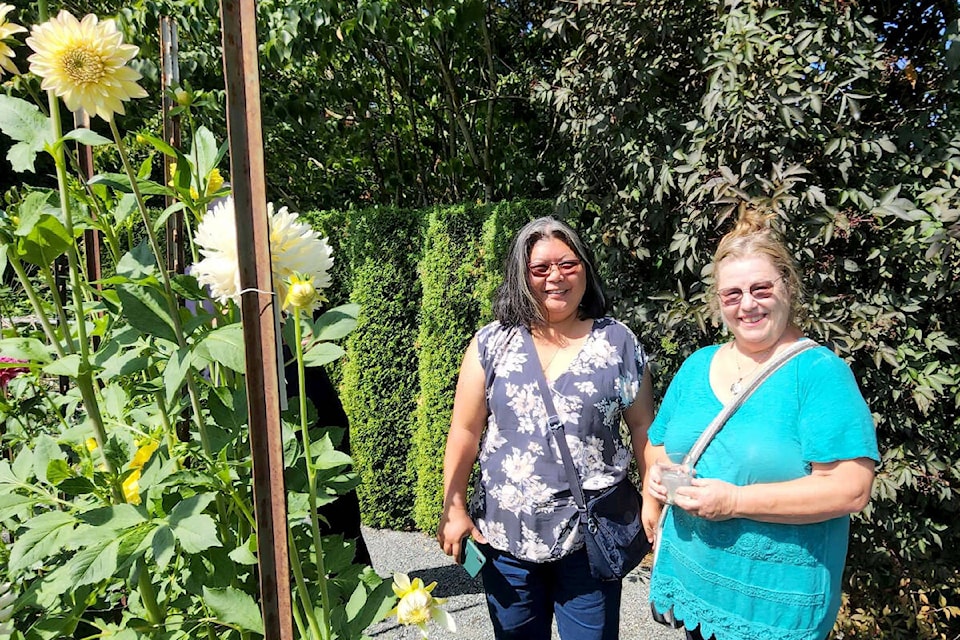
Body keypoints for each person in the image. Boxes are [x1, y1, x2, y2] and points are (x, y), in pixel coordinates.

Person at [643, 205, 880, 640]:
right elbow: (658, 445)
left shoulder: (819, 374)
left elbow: (851, 488)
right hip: (695, 584)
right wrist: (652, 485)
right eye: (732, 294)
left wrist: (733, 501)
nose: (747, 304)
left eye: (761, 289)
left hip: (771, 605)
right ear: (718, 302)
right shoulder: (697, 366)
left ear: (787, 287)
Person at [437, 216, 654, 640]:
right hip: (505, 541)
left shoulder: (618, 342)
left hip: (589, 540)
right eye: (540, 269)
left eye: (568, 264)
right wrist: (454, 507)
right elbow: (464, 430)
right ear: (522, 276)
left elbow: (643, 425)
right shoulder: (491, 343)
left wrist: (651, 501)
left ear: (585, 269)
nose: (556, 277)